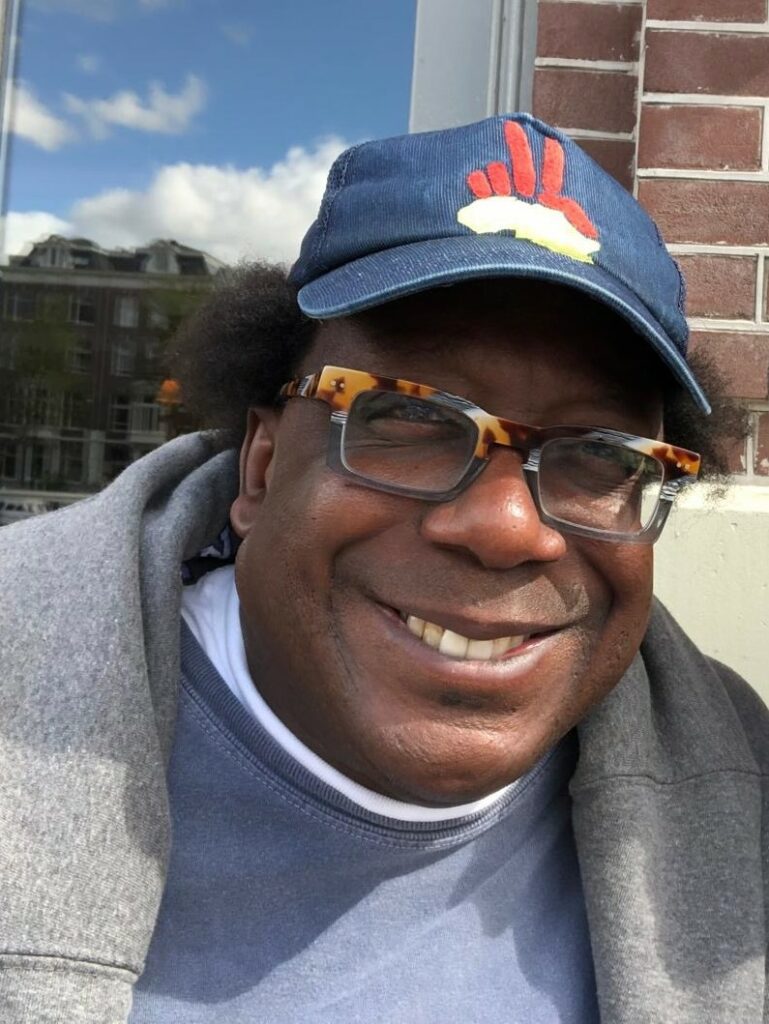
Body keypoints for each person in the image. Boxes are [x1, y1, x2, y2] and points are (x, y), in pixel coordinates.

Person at [1, 113, 766, 1024]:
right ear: (261, 464)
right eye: (407, 418)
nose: (506, 529)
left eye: (600, 454)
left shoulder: (747, 796)